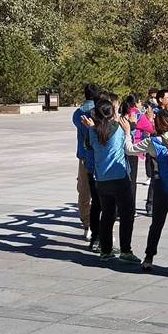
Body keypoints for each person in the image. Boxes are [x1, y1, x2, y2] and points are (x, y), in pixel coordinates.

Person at [120, 112, 168, 273]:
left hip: (161, 184)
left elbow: (129, 150)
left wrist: (127, 133)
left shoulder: (152, 141)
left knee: (157, 223)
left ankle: (149, 258)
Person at [81, 100, 140, 263]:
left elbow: (88, 146)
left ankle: (105, 250)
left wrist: (92, 127)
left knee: (107, 214)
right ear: (111, 113)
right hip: (120, 177)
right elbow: (129, 147)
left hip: (102, 179)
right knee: (127, 214)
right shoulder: (120, 128)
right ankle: (126, 250)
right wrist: (129, 130)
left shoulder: (92, 131)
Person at [72, 84, 99, 240]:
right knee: (100, 192)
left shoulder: (78, 113)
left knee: (84, 192)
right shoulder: (100, 111)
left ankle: (87, 224)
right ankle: (99, 224)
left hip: (84, 157)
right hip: (99, 157)